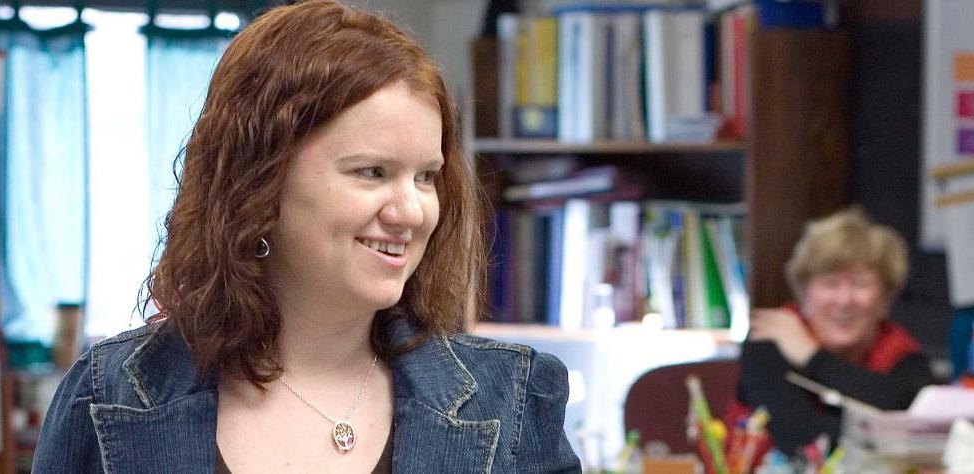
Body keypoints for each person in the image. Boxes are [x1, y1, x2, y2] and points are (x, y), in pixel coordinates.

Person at [31, 1, 580, 472]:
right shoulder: (111, 394)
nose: (411, 211)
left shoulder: (514, 398)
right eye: (372, 173)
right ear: (261, 183)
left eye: (426, 177)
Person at [731, 208, 933, 456]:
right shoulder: (769, 339)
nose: (844, 300)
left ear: (885, 299)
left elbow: (916, 416)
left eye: (861, 284)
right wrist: (888, 438)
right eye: (830, 283)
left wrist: (812, 358)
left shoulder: (902, 352)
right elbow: (800, 438)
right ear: (804, 294)